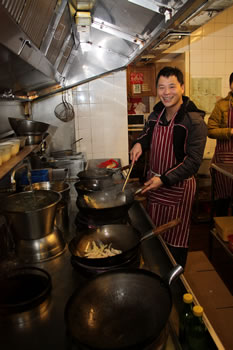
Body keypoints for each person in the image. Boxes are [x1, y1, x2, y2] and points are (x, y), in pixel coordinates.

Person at [130, 66, 207, 268]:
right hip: (155, 188)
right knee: (155, 240)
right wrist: (138, 143)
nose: (166, 92)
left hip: (178, 191)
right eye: (162, 87)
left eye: (171, 86)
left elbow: (192, 162)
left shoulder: (194, 121)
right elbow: (147, 134)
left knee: (174, 243)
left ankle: (175, 286)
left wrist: (163, 179)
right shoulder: (156, 114)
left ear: (182, 87)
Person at [207, 72, 233, 216]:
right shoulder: (221, 105)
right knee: (222, 200)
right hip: (224, 161)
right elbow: (211, 130)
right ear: (231, 85)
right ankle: (220, 229)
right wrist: (230, 131)